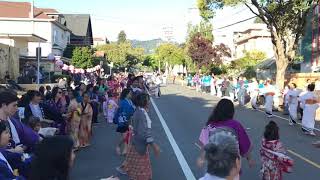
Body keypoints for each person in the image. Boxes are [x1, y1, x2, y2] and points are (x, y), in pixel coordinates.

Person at [198, 99, 255, 172]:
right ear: (231, 112)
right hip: (231, 168)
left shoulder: (210, 125)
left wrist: (201, 158)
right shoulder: (235, 125)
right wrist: (250, 159)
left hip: (213, 166)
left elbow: (204, 145)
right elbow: (245, 143)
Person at [121, 93, 160, 180]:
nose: (149, 101)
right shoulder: (141, 113)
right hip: (139, 145)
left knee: (137, 170)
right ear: (144, 102)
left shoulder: (139, 111)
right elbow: (144, 132)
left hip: (136, 143)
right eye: (148, 100)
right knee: (143, 172)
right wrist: (154, 145)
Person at [114, 88, 135, 155]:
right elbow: (121, 112)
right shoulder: (122, 101)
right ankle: (118, 146)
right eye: (129, 93)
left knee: (128, 135)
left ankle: (125, 150)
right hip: (122, 120)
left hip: (129, 120)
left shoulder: (130, 101)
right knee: (125, 136)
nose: (131, 95)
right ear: (126, 94)